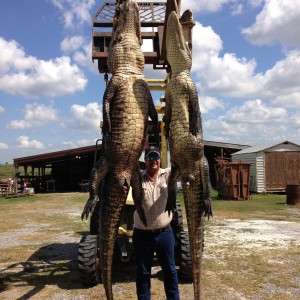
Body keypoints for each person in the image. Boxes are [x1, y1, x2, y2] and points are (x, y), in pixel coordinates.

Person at [133, 146, 180, 300]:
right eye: (150, 157)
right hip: (142, 235)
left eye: (156, 157)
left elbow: (180, 167)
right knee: (143, 273)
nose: (153, 160)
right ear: (145, 160)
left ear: (160, 159)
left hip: (165, 233)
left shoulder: (168, 174)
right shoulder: (137, 177)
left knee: (170, 272)